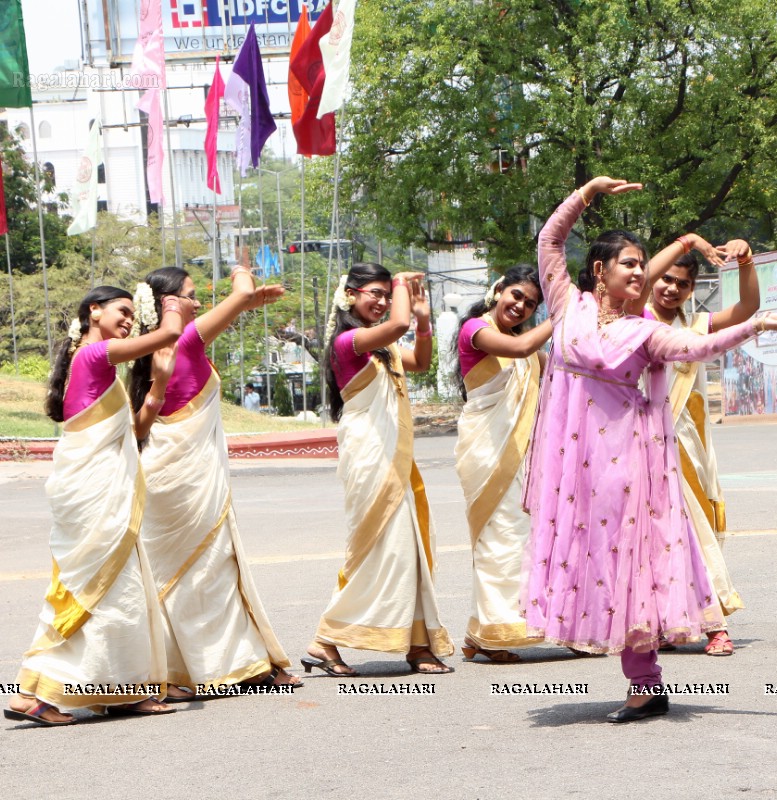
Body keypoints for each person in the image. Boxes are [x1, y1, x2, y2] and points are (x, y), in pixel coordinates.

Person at [523, 176, 777, 722]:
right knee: (591, 564)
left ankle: (645, 683)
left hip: (627, 469)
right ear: (600, 271)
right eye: (629, 263)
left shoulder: (645, 333)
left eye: (641, 264)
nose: (638, 272)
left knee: (633, 567)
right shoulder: (567, 305)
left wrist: (755, 324)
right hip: (572, 473)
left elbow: (700, 344)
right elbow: (549, 242)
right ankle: (637, 677)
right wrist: (586, 194)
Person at [5, 286, 187, 727]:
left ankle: (115, 692)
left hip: (102, 493)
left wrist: (159, 383)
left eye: (131, 313)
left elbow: (138, 431)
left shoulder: (92, 364)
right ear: (94, 312)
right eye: (122, 312)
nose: (127, 320)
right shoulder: (94, 355)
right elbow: (170, 334)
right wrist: (170, 305)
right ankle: (45, 693)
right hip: (95, 495)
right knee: (103, 592)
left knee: (114, 590)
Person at [128, 266, 298, 698]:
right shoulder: (185, 339)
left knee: (198, 572)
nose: (198, 302)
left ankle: (226, 665)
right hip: (186, 478)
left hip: (167, 470)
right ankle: (210, 667)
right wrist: (242, 273)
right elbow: (239, 294)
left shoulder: (149, 348)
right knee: (210, 568)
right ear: (167, 303)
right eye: (189, 295)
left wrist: (249, 299)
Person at [304, 263, 454, 676]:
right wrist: (405, 289)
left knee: (407, 551)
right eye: (376, 293)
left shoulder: (383, 347)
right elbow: (397, 323)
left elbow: (421, 361)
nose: (384, 302)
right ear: (350, 294)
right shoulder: (347, 341)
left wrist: (424, 322)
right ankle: (327, 640)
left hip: (395, 457)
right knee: (375, 549)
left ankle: (417, 645)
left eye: (388, 294)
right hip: (371, 455)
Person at [626, 241, 760, 656]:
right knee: (660, 536)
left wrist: (746, 261)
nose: (671, 288)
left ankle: (708, 620)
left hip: (689, 442)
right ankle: (695, 623)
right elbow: (642, 280)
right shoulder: (636, 316)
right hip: (643, 441)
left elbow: (747, 309)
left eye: (682, 284)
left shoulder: (699, 323)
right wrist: (686, 241)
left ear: (690, 290)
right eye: (666, 279)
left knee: (694, 528)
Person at [454, 266, 553, 662]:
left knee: (520, 539)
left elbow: (556, 371)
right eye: (516, 295)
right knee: (501, 540)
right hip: (487, 452)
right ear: (498, 290)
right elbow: (517, 350)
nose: (521, 306)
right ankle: (496, 634)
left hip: (521, 454)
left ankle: (481, 633)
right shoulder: (476, 329)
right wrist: (560, 317)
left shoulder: (528, 345)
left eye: (530, 304)